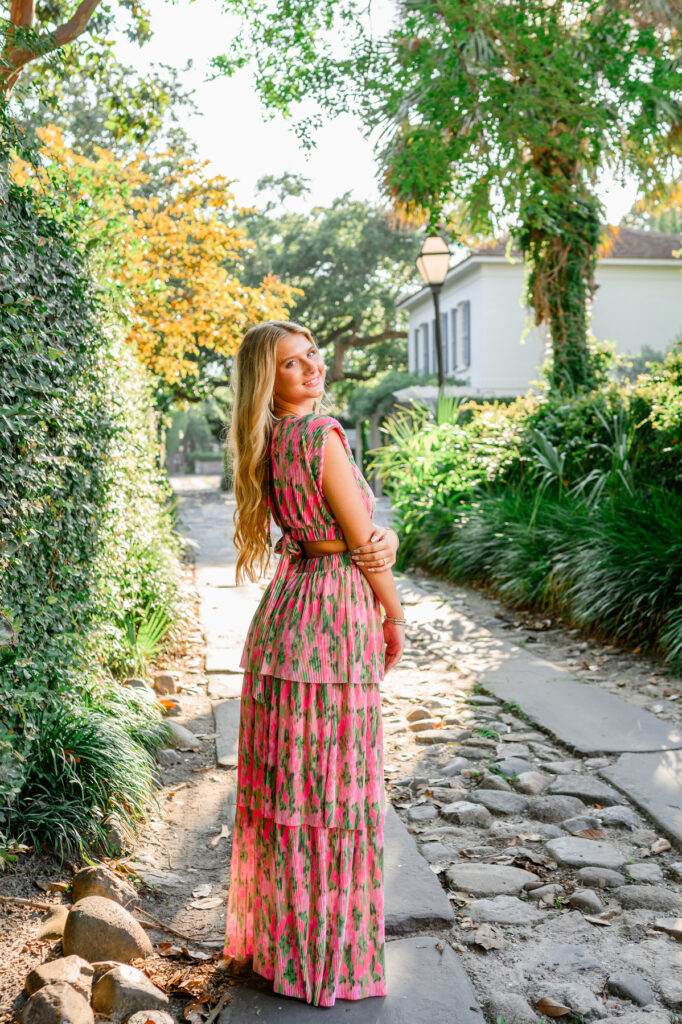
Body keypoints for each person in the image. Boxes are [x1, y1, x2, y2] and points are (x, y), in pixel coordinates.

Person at [222, 319, 406, 1007]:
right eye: (294, 365)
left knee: (288, 789)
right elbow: (360, 544)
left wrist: (371, 536)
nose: (312, 369)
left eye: (312, 358)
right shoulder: (321, 435)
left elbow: (329, 530)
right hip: (334, 614)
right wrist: (395, 613)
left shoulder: (265, 443)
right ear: (270, 379)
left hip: (286, 614)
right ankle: (330, 960)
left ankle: (283, 952)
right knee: (338, 790)